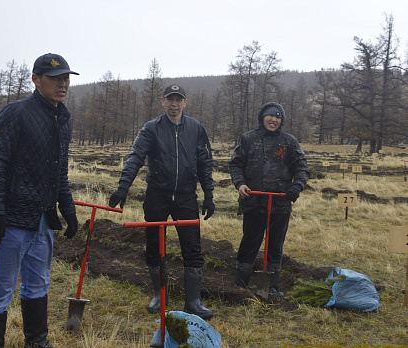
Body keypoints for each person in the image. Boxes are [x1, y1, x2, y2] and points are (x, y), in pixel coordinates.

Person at [0, 53, 79, 348]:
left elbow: (59, 171)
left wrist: (68, 210)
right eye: (55, 78)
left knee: (38, 283)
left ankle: (37, 341)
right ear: (36, 80)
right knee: (0, 289)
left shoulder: (63, 118)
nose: (62, 84)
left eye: (66, 78)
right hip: (13, 218)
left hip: (43, 220)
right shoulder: (16, 113)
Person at [108, 84, 216, 320]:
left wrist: (209, 194)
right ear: (162, 101)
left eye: (179, 99)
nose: (174, 103)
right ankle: (159, 295)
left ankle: (193, 301)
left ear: (185, 102)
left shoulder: (196, 128)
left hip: (186, 197)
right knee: (155, 246)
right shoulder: (151, 129)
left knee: (192, 247)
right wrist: (123, 187)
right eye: (170, 99)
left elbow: (204, 163)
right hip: (157, 195)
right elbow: (136, 157)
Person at [229, 102, 309, 297]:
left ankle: (271, 286)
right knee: (250, 241)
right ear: (262, 117)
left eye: (278, 117)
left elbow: (302, 167)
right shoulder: (248, 139)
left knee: (275, 244)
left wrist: (296, 187)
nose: (273, 120)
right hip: (253, 201)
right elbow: (236, 164)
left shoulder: (289, 141)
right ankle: (241, 283)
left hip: (280, 203)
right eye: (270, 116)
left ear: (281, 121)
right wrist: (240, 184)